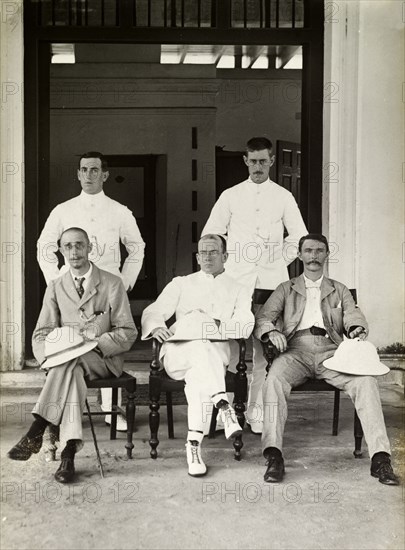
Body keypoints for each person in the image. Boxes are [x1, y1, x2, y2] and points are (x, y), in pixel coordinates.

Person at [254, 233, 399, 485]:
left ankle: (381, 458)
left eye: (319, 251)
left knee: (366, 381)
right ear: (299, 255)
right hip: (294, 350)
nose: (313, 256)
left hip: (332, 351)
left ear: (327, 255)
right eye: (308, 251)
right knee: (274, 380)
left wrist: (355, 329)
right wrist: (272, 331)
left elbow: (354, 314)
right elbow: (263, 317)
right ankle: (274, 454)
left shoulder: (338, 289)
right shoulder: (285, 289)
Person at [8, 228, 137, 483]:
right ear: (62, 251)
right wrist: (49, 358)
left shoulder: (112, 283)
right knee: (70, 368)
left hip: (102, 359)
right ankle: (68, 453)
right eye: (68, 246)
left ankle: (37, 428)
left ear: (90, 248)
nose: (74, 252)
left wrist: (95, 343)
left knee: (68, 363)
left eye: (79, 245)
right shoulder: (56, 287)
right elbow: (41, 334)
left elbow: (128, 332)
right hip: (70, 362)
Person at [202, 137, 307, 433]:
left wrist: (279, 259)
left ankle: (257, 412)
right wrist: (227, 262)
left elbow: (299, 236)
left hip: (271, 283)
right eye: (253, 161)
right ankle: (227, 414)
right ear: (245, 161)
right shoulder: (231, 195)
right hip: (236, 282)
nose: (258, 167)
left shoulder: (284, 196)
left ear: (272, 161)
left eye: (263, 161)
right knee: (231, 350)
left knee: (265, 352)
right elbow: (212, 234)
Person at [37, 152, 145, 431]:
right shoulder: (63, 210)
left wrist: (126, 280)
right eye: (84, 170)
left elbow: (136, 247)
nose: (89, 175)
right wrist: (55, 280)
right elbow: (44, 246)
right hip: (72, 286)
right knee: (71, 343)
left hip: (106, 287)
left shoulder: (119, 210)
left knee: (104, 343)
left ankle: (111, 411)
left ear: (104, 175)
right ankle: (66, 411)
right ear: (78, 174)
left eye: (95, 170)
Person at [141, 234, 254, 476]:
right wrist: (157, 326)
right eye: (203, 252)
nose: (207, 257)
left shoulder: (238, 288)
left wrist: (212, 323)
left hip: (213, 355)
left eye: (213, 252)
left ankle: (194, 447)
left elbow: (245, 325)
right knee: (200, 339)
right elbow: (154, 311)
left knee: (200, 370)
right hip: (178, 353)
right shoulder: (181, 283)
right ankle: (223, 404)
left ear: (225, 256)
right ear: (197, 257)